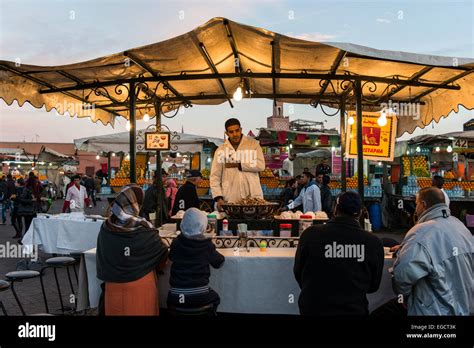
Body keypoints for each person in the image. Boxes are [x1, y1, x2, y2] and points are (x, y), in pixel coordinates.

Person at [294, 191, 384, 315]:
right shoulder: (373, 242)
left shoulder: (310, 235)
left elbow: (299, 272)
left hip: (312, 309)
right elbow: (373, 286)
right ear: (360, 213)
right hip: (353, 311)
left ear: (335, 210)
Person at [390, 187, 473, 315]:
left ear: (423, 205)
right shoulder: (460, 226)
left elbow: (402, 275)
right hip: (465, 307)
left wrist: (404, 296)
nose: (416, 208)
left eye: (416, 204)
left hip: (434, 311)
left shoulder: (421, 232)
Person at [96, 184, 169, 316]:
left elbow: (102, 255)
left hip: (113, 287)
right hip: (141, 285)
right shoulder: (145, 228)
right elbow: (162, 253)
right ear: (138, 203)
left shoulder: (106, 227)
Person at [167, 208, 225, 312]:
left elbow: (171, 257)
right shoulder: (206, 245)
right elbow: (219, 263)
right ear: (203, 226)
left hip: (175, 297)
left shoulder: (176, 243)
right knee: (216, 298)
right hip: (200, 297)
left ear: (182, 224)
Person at [210, 118, 265, 210]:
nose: (235, 134)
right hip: (231, 197)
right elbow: (215, 176)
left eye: (237, 130)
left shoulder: (253, 145)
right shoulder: (221, 150)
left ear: (241, 130)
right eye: (231, 132)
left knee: (253, 222)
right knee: (231, 223)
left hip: (253, 196)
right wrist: (218, 198)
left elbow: (261, 165)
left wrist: (239, 164)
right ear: (226, 133)